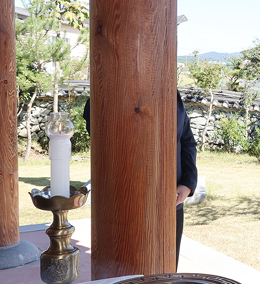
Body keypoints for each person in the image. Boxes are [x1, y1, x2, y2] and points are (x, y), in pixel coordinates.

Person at [83, 92, 197, 270]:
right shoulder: (108, 93)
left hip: (170, 201)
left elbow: (187, 141)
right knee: (124, 279)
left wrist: (187, 183)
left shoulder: (171, 93)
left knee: (166, 274)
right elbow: (103, 141)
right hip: (123, 203)